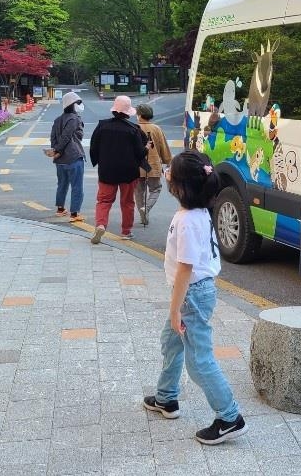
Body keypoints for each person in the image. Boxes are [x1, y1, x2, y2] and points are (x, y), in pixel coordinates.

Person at [142, 150, 247, 445]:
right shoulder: (198, 213)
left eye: (170, 172)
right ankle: (166, 398)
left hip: (191, 295)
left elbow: (185, 271)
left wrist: (175, 310)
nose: (166, 174)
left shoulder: (188, 220)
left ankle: (230, 417)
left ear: (180, 186)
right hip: (194, 294)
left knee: (199, 361)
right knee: (171, 342)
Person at [89, 95, 148, 243]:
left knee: (103, 201)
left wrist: (98, 161)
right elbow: (139, 153)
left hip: (107, 171)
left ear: (114, 110)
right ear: (128, 112)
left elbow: (93, 147)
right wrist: (146, 148)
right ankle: (126, 231)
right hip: (129, 173)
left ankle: (101, 224)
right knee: (127, 202)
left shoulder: (102, 126)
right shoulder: (133, 130)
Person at [49, 91, 85, 223]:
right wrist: (58, 149)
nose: (80, 106)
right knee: (77, 186)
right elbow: (67, 136)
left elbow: (53, 137)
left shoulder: (58, 119)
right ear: (73, 104)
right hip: (73, 157)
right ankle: (74, 214)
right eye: (78, 103)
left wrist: (55, 150)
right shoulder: (74, 119)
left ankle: (60, 209)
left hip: (60, 159)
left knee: (62, 184)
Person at [135, 104, 172, 226]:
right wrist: (168, 161)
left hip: (137, 165)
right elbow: (163, 147)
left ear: (139, 115)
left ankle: (143, 216)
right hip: (153, 165)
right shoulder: (156, 129)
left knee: (139, 191)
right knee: (156, 188)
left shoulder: (134, 128)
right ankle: (147, 208)